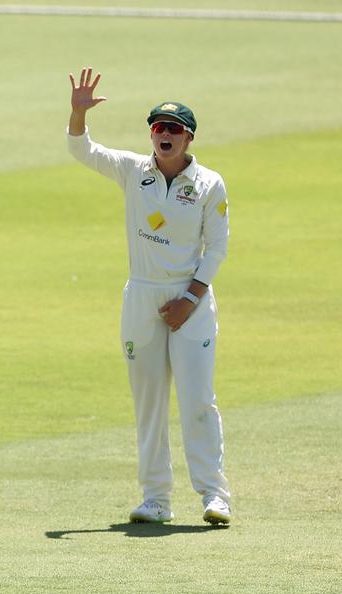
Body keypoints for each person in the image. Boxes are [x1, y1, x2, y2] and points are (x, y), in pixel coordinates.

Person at [67, 67, 233, 525]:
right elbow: (82, 149)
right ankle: (156, 499)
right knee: (149, 401)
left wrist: (190, 299)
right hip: (142, 297)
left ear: (188, 138)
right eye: (158, 127)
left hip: (191, 301)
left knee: (198, 399)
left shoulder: (208, 184)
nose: (164, 134)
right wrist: (78, 114)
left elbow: (217, 247)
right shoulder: (132, 170)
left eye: (173, 129)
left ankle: (215, 495)